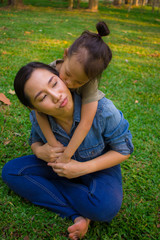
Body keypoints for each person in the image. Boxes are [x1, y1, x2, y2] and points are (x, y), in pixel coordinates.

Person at [2, 62, 134, 240]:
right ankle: (77, 214)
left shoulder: (103, 110)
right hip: (58, 166)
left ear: (62, 78)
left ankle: (69, 192)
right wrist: (39, 150)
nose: (56, 96)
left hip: (98, 165)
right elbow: (35, 140)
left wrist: (83, 169)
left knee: (105, 208)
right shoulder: (38, 117)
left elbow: (124, 150)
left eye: (54, 83)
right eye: (42, 98)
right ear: (33, 107)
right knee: (12, 172)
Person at [35, 21, 112, 163]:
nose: (69, 83)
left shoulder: (90, 82)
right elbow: (38, 111)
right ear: (65, 54)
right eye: (68, 74)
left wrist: (66, 155)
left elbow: (86, 122)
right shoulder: (47, 74)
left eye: (79, 82)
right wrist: (53, 145)